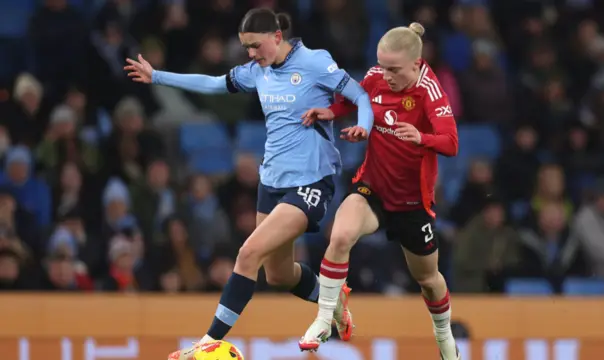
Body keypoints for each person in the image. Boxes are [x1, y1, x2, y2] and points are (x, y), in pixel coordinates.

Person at [124, 8, 374, 360]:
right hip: (271, 180)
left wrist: (363, 125)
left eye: (256, 46)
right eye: (246, 48)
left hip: (311, 180)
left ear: (276, 36)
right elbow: (212, 84)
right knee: (278, 275)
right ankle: (332, 300)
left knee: (247, 254)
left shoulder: (315, 63)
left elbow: (361, 95)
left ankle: (206, 344)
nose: (251, 54)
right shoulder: (257, 72)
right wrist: (157, 77)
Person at [297, 23, 461, 359]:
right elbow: (356, 97)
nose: (385, 75)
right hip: (372, 188)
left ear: (416, 65)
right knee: (340, 236)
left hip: (413, 202)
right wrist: (333, 111)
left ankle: (444, 336)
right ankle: (324, 319)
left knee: (429, 281)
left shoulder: (430, 92)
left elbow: (452, 142)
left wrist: (422, 138)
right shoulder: (376, 75)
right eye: (382, 66)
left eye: (394, 70)